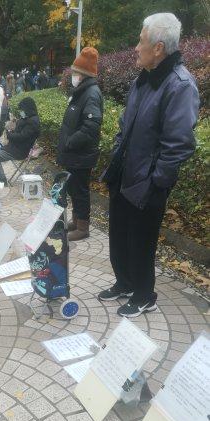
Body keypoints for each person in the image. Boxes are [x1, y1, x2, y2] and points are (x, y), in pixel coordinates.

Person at [99, 13, 199, 318]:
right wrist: (118, 151)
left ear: (158, 48)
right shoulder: (142, 79)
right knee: (119, 234)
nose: (135, 47)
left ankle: (144, 295)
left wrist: (157, 181)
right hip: (124, 173)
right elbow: (124, 125)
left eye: (141, 41)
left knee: (142, 241)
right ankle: (125, 283)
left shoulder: (180, 85)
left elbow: (179, 143)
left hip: (149, 181)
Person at [57, 47, 103, 242]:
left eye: (76, 71)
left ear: (83, 73)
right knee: (74, 189)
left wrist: (70, 141)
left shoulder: (91, 93)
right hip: (75, 153)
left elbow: (91, 126)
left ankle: (83, 227)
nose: (73, 75)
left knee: (80, 191)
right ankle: (76, 221)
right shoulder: (81, 91)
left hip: (81, 153)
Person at [0, 97, 40, 185]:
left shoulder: (32, 122)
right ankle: (0, 176)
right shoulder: (28, 118)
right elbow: (20, 133)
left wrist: (9, 135)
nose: (21, 112)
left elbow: (22, 137)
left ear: (27, 108)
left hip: (19, 151)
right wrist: (12, 131)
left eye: (22, 110)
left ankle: (2, 179)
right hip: (15, 147)